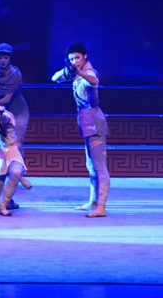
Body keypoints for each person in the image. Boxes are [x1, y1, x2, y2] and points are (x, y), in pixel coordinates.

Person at [51, 42, 109, 218]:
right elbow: (54, 78)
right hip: (86, 120)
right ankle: (93, 201)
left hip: (94, 122)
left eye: (77, 57)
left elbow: (94, 81)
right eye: (71, 59)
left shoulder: (89, 72)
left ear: (85, 56)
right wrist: (68, 70)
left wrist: (78, 72)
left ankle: (101, 207)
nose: (74, 61)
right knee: (90, 166)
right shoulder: (76, 72)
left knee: (99, 167)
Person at [0, 43, 32, 190]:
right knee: (1, 145)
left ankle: (19, 174)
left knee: (16, 144)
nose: (3, 60)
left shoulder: (15, 74)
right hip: (2, 112)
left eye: (6, 57)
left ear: (10, 58)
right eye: (0, 57)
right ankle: (9, 175)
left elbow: (7, 98)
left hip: (17, 111)